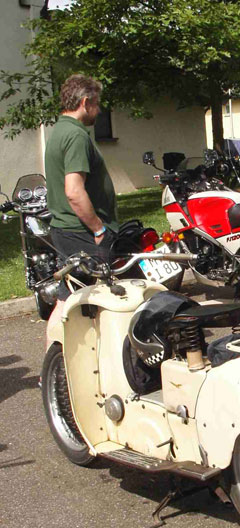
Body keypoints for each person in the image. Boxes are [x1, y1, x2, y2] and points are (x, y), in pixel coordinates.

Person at [45, 74, 119, 347]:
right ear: (85, 102)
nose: (99, 112)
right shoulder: (75, 135)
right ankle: (76, 370)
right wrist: (98, 229)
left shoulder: (59, 131)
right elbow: (74, 191)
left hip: (67, 230)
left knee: (66, 300)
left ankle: (53, 369)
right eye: (97, 105)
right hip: (82, 233)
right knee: (89, 307)